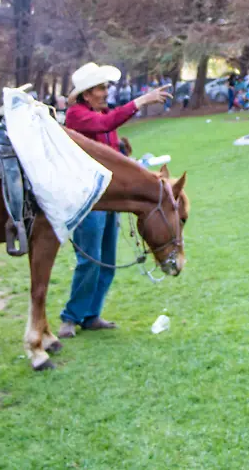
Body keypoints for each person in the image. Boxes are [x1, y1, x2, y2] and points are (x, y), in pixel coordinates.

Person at [59, 63, 172, 339]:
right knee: (90, 259)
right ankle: (70, 318)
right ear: (86, 94)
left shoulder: (101, 113)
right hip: (90, 200)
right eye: (101, 88)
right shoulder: (77, 115)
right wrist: (141, 101)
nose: (106, 92)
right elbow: (103, 125)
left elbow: (106, 142)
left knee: (107, 259)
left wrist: (121, 148)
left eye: (107, 87)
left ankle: (92, 315)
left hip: (112, 196)